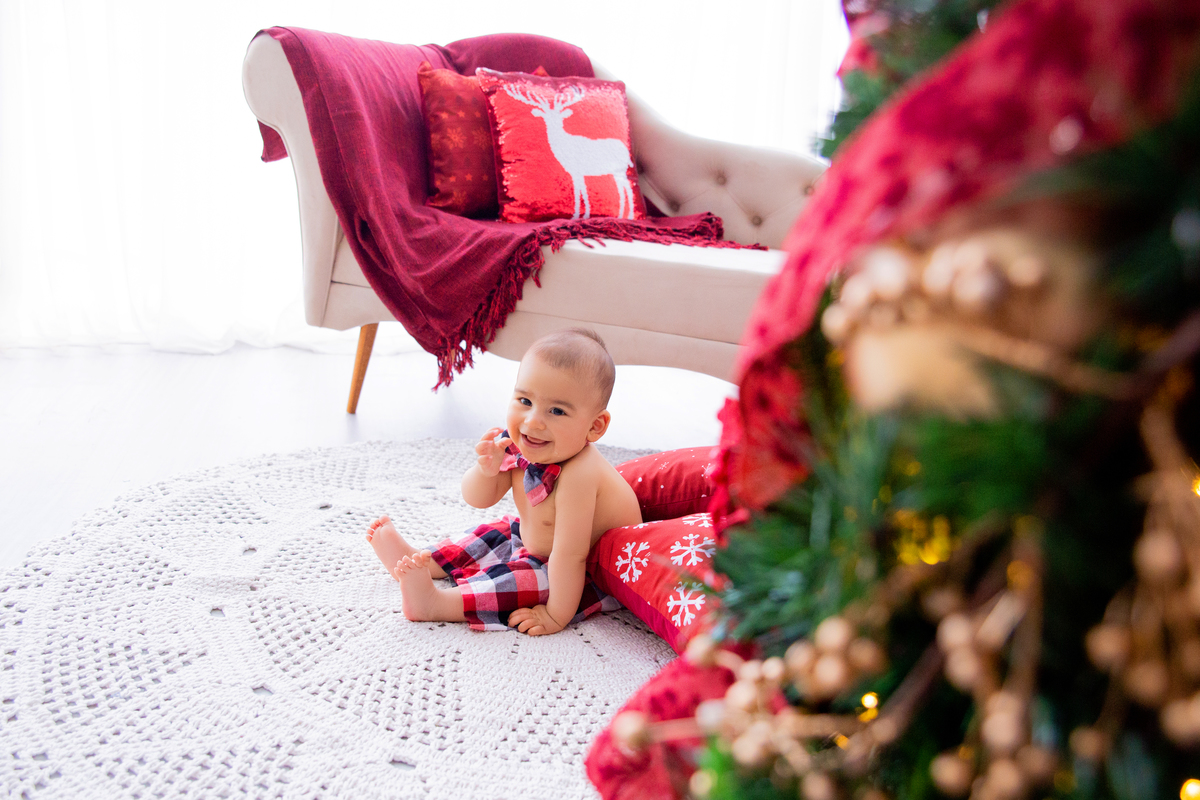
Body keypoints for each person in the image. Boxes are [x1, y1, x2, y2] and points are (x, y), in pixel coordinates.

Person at [365, 328, 642, 635]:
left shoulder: (580, 474)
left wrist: (555, 615)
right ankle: (426, 561)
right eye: (525, 400)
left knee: (520, 582)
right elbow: (478, 499)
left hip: (583, 570)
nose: (533, 421)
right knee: (492, 532)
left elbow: (570, 555)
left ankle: (435, 603)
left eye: (557, 410)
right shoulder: (520, 443)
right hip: (537, 541)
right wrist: (486, 471)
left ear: (595, 426)